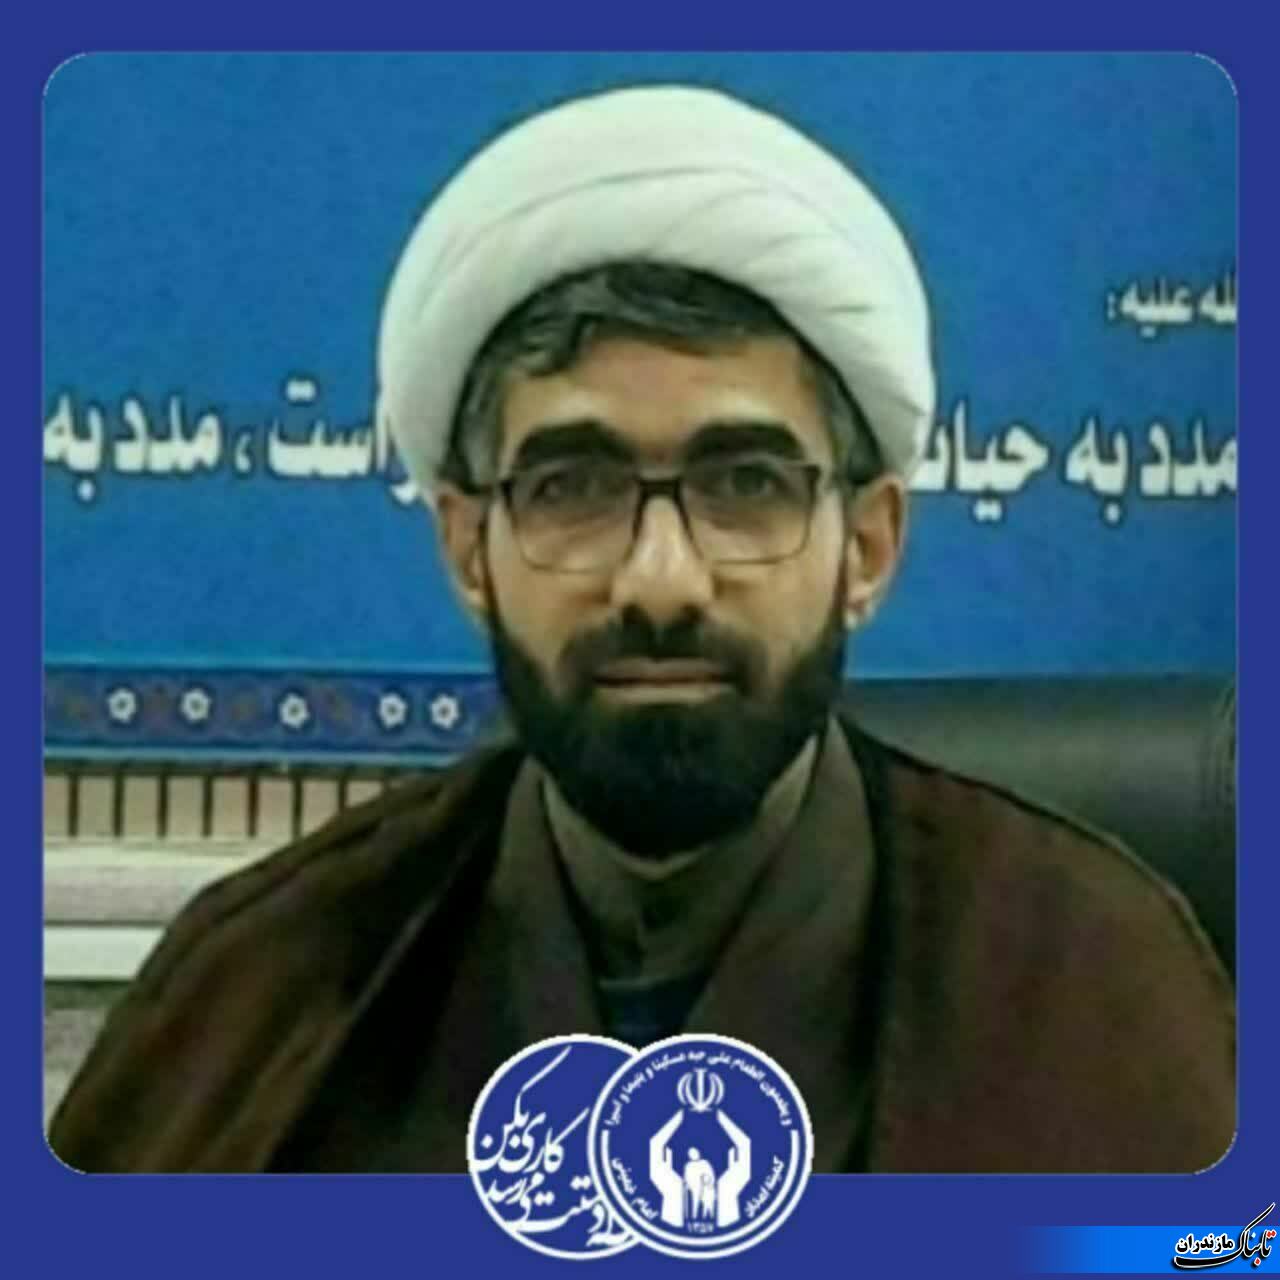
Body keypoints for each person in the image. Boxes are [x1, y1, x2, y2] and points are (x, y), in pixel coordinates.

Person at [48, 84, 1234, 1174]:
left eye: (744, 483)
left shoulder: (1092, 987)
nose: (660, 581)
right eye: (572, 486)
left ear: (867, 546)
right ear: (467, 549)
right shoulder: (261, 996)